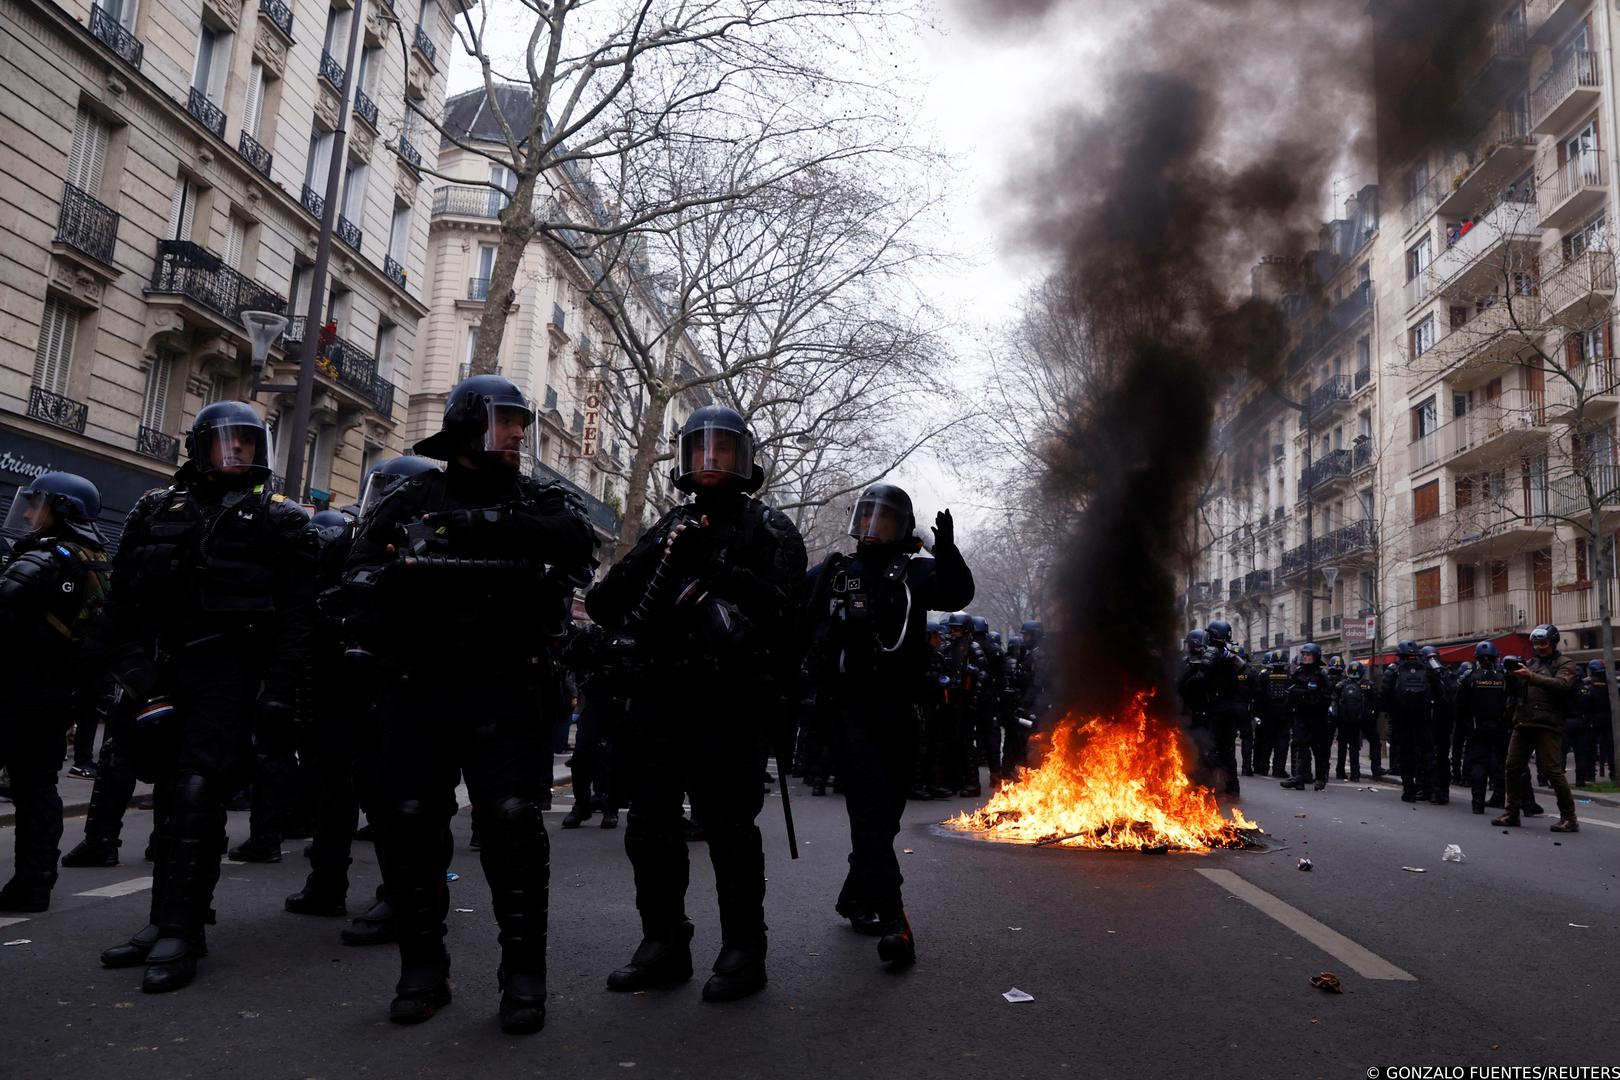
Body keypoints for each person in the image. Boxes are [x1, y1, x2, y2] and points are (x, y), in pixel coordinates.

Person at [343, 376, 596, 1031]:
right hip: (418, 686)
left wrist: (478, 528)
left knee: (512, 825)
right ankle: (423, 969)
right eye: (505, 420)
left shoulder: (538, 497)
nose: (517, 432)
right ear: (469, 425)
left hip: (508, 686)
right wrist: (400, 583)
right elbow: (357, 579)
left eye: (520, 422)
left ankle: (524, 979)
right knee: (406, 821)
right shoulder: (409, 497)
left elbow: (574, 544)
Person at [585, 405, 806, 1003]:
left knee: (730, 830)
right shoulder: (668, 525)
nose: (710, 461)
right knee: (650, 828)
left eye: (723, 450)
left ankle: (743, 949)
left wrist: (717, 569)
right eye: (699, 450)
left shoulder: (771, 530)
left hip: (730, 705)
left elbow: (786, 614)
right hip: (659, 703)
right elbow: (611, 601)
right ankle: (663, 941)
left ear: (744, 458)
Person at [93, 402, 316, 993]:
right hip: (161, 669)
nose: (236, 450)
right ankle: (160, 919)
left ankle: (182, 928)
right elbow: (121, 600)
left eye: (246, 442)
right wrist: (131, 666)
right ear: (200, 446)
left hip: (229, 670)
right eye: (225, 441)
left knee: (197, 790)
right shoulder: (154, 507)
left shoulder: (279, 520)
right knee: (165, 790)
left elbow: (298, 618)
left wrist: (278, 692)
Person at [804, 484, 973, 967]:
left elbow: (959, 591)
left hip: (899, 713)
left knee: (887, 815)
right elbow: (793, 614)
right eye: (867, 517)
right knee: (871, 817)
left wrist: (947, 551)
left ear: (900, 528)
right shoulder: (836, 574)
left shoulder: (914, 574)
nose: (872, 528)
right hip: (849, 712)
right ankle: (894, 919)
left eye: (884, 520)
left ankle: (855, 897)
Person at [0, 473, 111, 912]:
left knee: (31, 788)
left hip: (17, 689)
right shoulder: (95, 558)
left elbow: (6, 607)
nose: (28, 513)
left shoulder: (47, 558)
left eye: (37, 505)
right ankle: (35, 883)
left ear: (61, 511)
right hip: (59, 693)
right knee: (37, 788)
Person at [1494, 625, 1580, 832]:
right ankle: (1511, 813)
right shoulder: (1530, 663)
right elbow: (1515, 693)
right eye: (1536, 643)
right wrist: (1510, 677)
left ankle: (1569, 817)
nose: (1539, 647)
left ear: (1553, 642)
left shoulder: (1565, 664)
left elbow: (1562, 686)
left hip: (1548, 724)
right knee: (1512, 766)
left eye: (1543, 643)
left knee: (1552, 770)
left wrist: (1530, 676)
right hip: (1523, 722)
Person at [1380, 640, 1446, 803]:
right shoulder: (1427, 668)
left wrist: (1391, 712)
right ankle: (1431, 790)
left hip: (1402, 719)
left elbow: (1384, 694)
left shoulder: (1393, 669)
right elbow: (1440, 693)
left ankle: (1409, 790)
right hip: (1423, 718)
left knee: (1406, 754)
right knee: (1427, 754)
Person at [1454, 642, 1510, 814]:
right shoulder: (1504, 678)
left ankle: (1477, 803)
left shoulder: (1470, 678)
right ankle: (1499, 798)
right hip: (1500, 728)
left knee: (1479, 764)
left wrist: (1468, 725)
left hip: (1477, 728)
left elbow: (1459, 706)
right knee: (1499, 763)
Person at [1281, 643, 1334, 791]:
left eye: (1308, 654)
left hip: (1317, 718)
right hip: (1301, 716)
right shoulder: (1298, 672)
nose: (1305, 657)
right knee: (1301, 746)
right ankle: (1299, 778)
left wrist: (1313, 699)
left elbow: (1328, 696)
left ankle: (1320, 779)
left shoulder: (1322, 674)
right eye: (1303, 654)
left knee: (1319, 749)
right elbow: (1290, 691)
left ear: (1315, 656)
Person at [1333, 661, 1374, 782]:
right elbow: (1374, 702)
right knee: (1354, 747)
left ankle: (1340, 771)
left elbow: (1334, 700)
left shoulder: (1341, 685)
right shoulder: (1366, 685)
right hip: (1357, 721)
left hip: (1343, 720)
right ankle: (1355, 773)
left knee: (1342, 747)